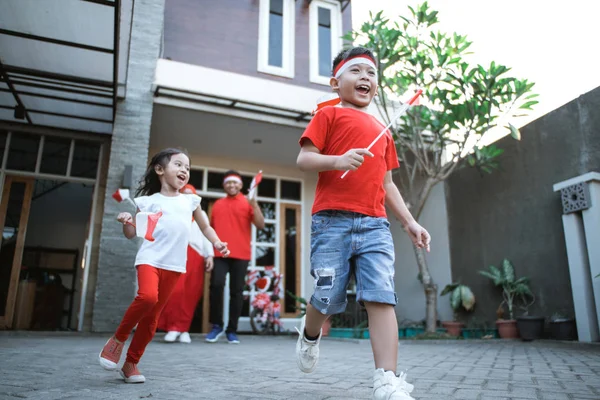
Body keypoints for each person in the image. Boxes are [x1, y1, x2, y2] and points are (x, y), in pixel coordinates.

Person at [295, 47, 431, 400]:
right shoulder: (328, 116)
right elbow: (304, 159)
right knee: (326, 296)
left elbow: (387, 185)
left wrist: (410, 222)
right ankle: (310, 335)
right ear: (335, 82)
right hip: (331, 222)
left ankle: (387, 381)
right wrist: (339, 159)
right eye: (356, 71)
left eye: (371, 74)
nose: (366, 78)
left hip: (375, 225)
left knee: (381, 297)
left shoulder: (382, 131)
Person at [98, 148, 229, 383]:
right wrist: (126, 221)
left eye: (187, 167)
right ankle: (117, 340)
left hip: (175, 266)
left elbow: (205, 227)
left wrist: (217, 242)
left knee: (152, 319)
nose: (184, 170)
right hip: (149, 259)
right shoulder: (147, 201)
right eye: (178, 165)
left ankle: (131, 364)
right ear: (160, 170)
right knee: (147, 297)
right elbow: (132, 233)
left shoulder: (191, 201)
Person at [205, 170, 265, 344]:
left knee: (237, 292)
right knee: (216, 286)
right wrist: (209, 252)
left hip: (241, 254)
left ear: (240, 185)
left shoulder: (248, 203)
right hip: (220, 253)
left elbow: (261, 225)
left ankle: (232, 330)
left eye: (235, 183)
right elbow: (209, 230)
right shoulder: (217, 204)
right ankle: (216, 326)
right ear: (224, 185)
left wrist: (254, 205)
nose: (232, 185)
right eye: (228, 183)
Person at [157, 183, 215, 344]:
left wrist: (209, 255)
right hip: (176, 253)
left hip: (196, 255)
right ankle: (173, 328)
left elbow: (206, 233)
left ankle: (184, 329)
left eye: (191, 193)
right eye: (185, 193)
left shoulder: (201, 213)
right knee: (175, 292)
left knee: (191, 293)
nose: (188, 196)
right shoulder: (173, 210)